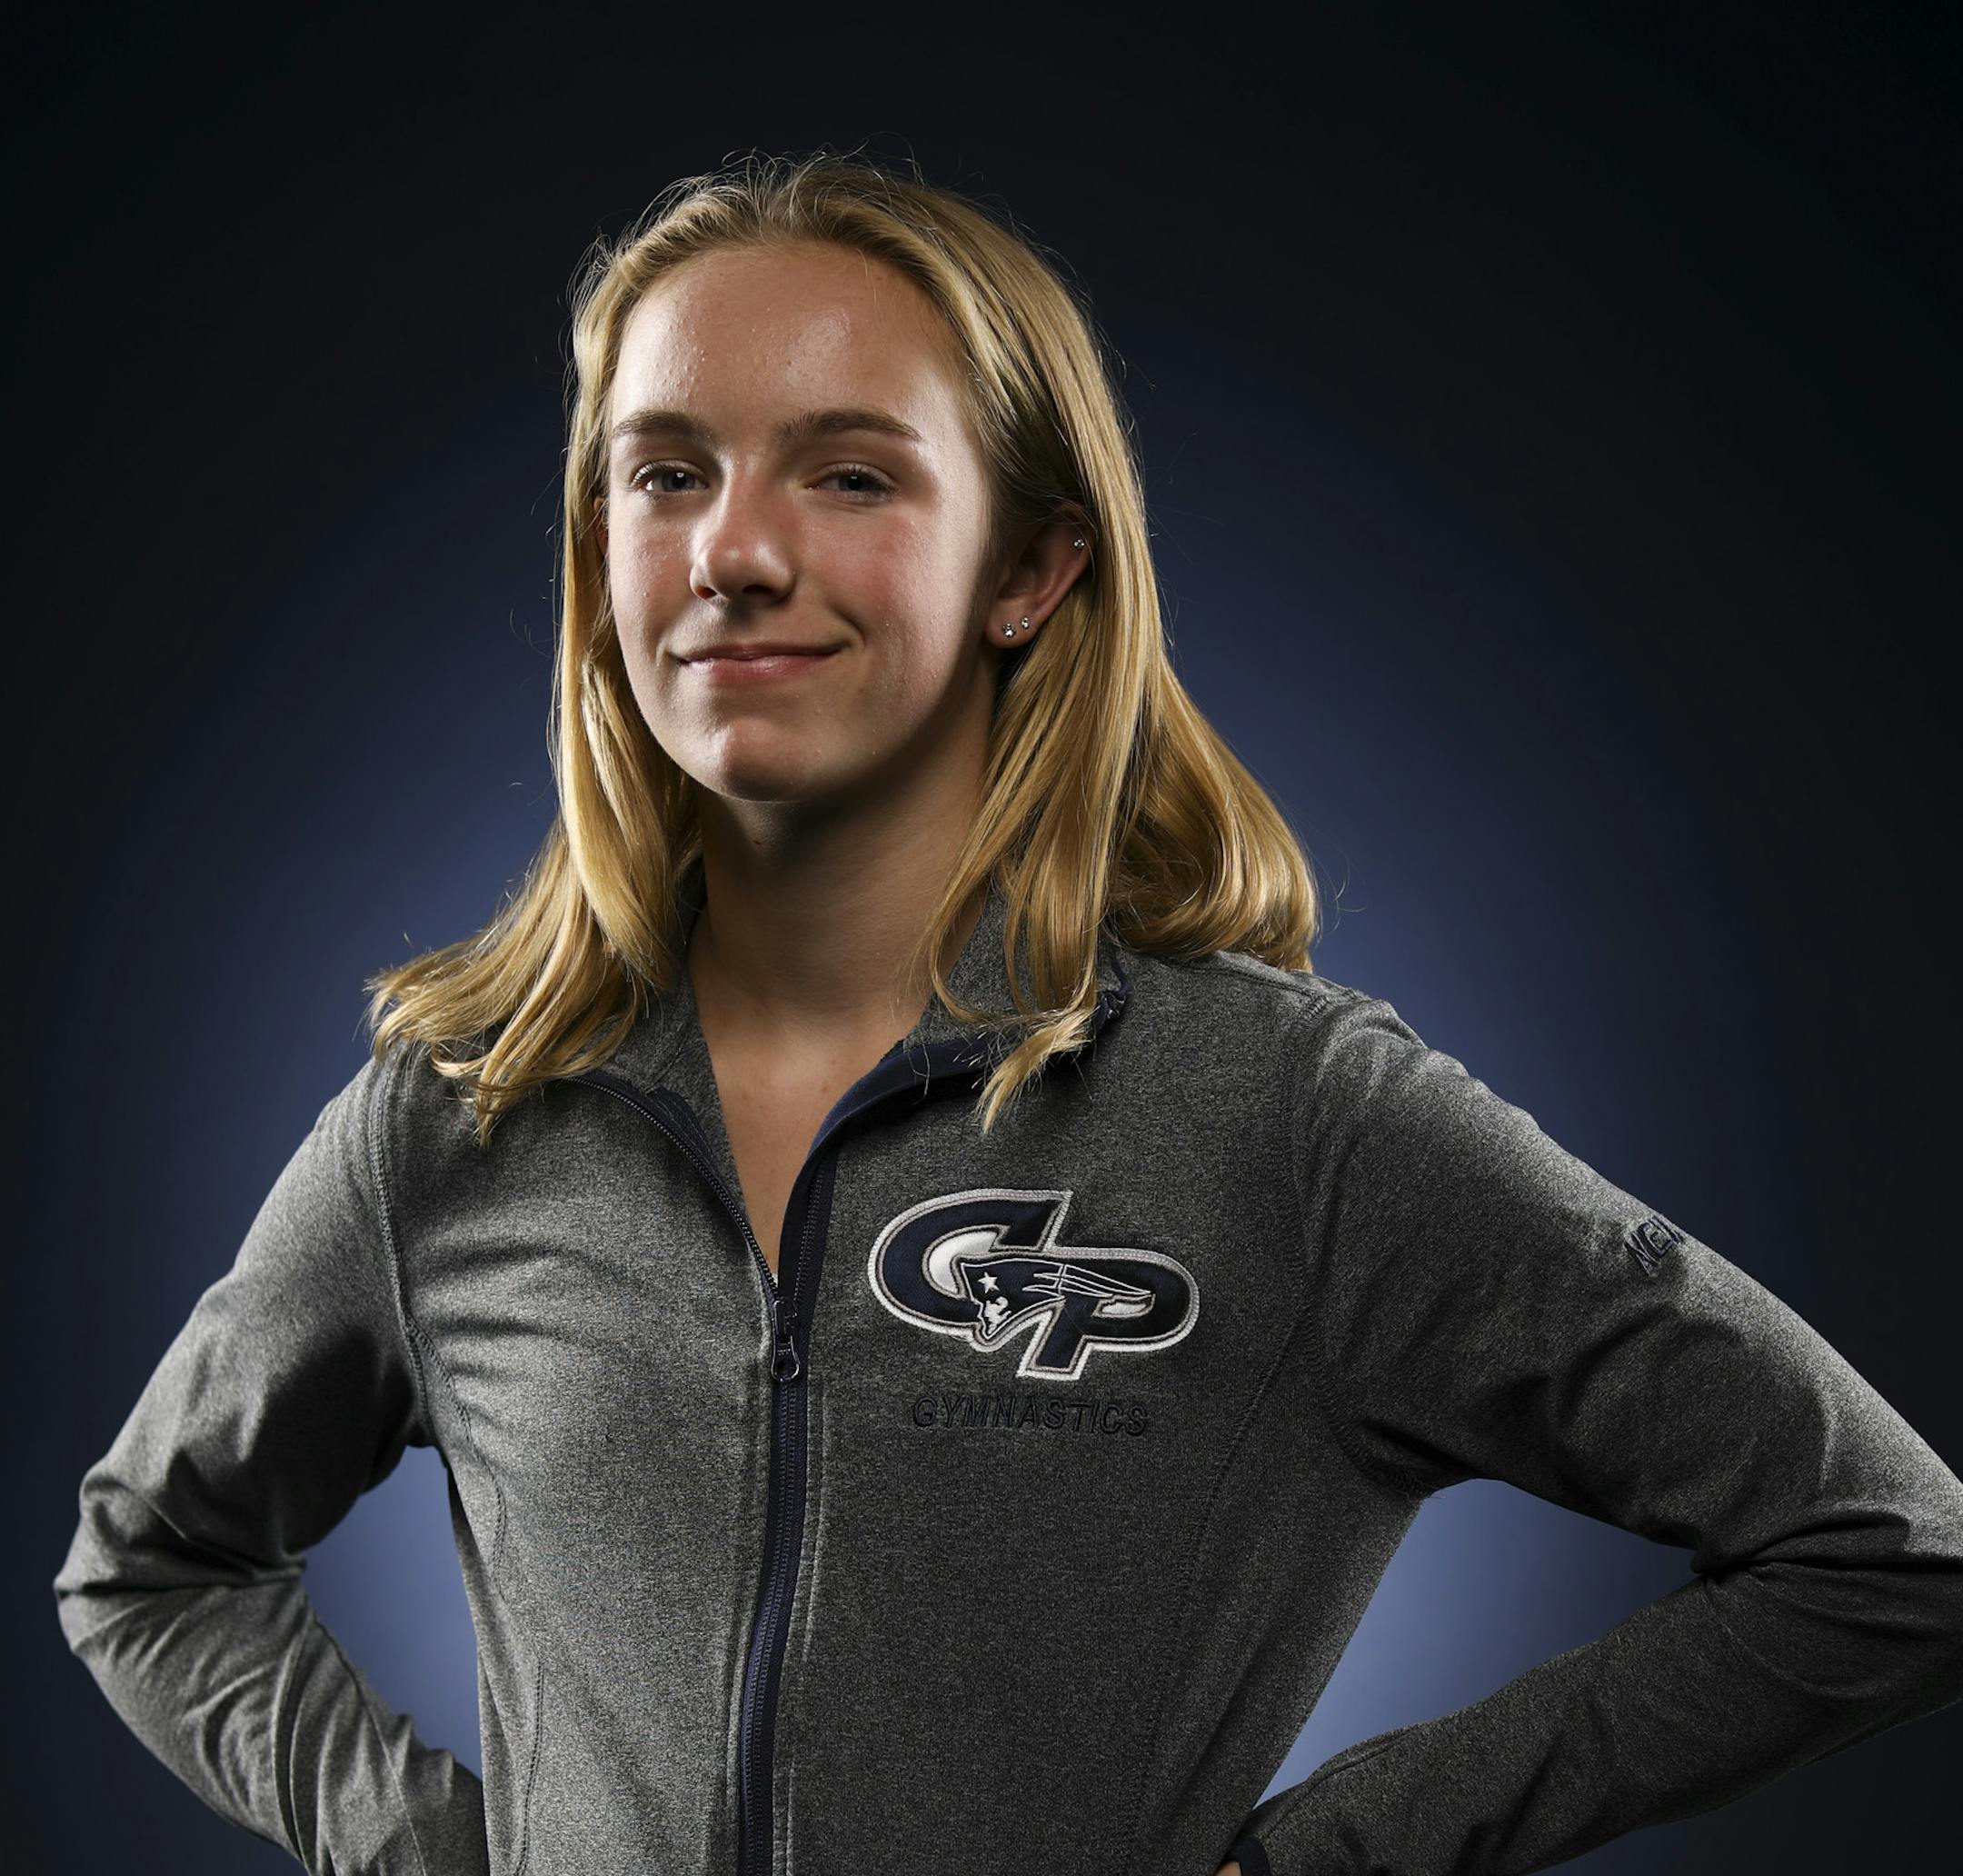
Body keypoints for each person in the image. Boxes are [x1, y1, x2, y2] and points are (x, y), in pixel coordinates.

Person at [53, 147, 1963, 1876]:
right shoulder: (458, 1122)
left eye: (852, 471)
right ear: (601, 552)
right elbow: (149, 1568)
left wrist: (1349, 1858)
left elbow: (1888, 1550)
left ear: (1035, 568)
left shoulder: (1285, 1125)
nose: (734, 550)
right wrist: (432, 1857)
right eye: (665, 472)